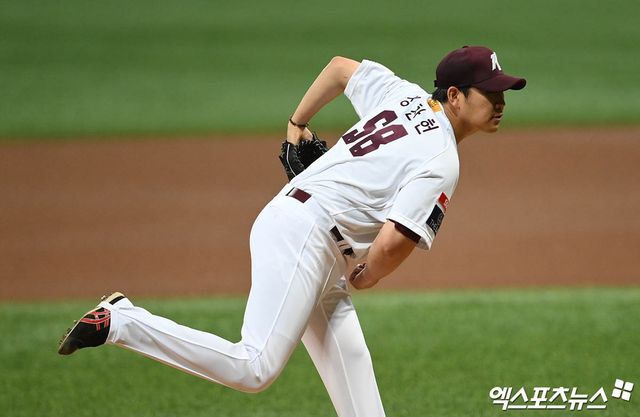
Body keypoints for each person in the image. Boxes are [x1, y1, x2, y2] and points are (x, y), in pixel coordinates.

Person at [58, 45, 526, 417]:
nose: (500, 102)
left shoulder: (401, 94)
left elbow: (339, 68)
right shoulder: (441, 159)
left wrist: (296, 123)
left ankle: (122, 320)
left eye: (502, 92)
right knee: (254, 367)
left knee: (360, 398)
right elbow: (391, 244)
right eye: (490, 93)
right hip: (304, 238)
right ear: (455, 96)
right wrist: (367, 277)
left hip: (304, 232)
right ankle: (122, 321)